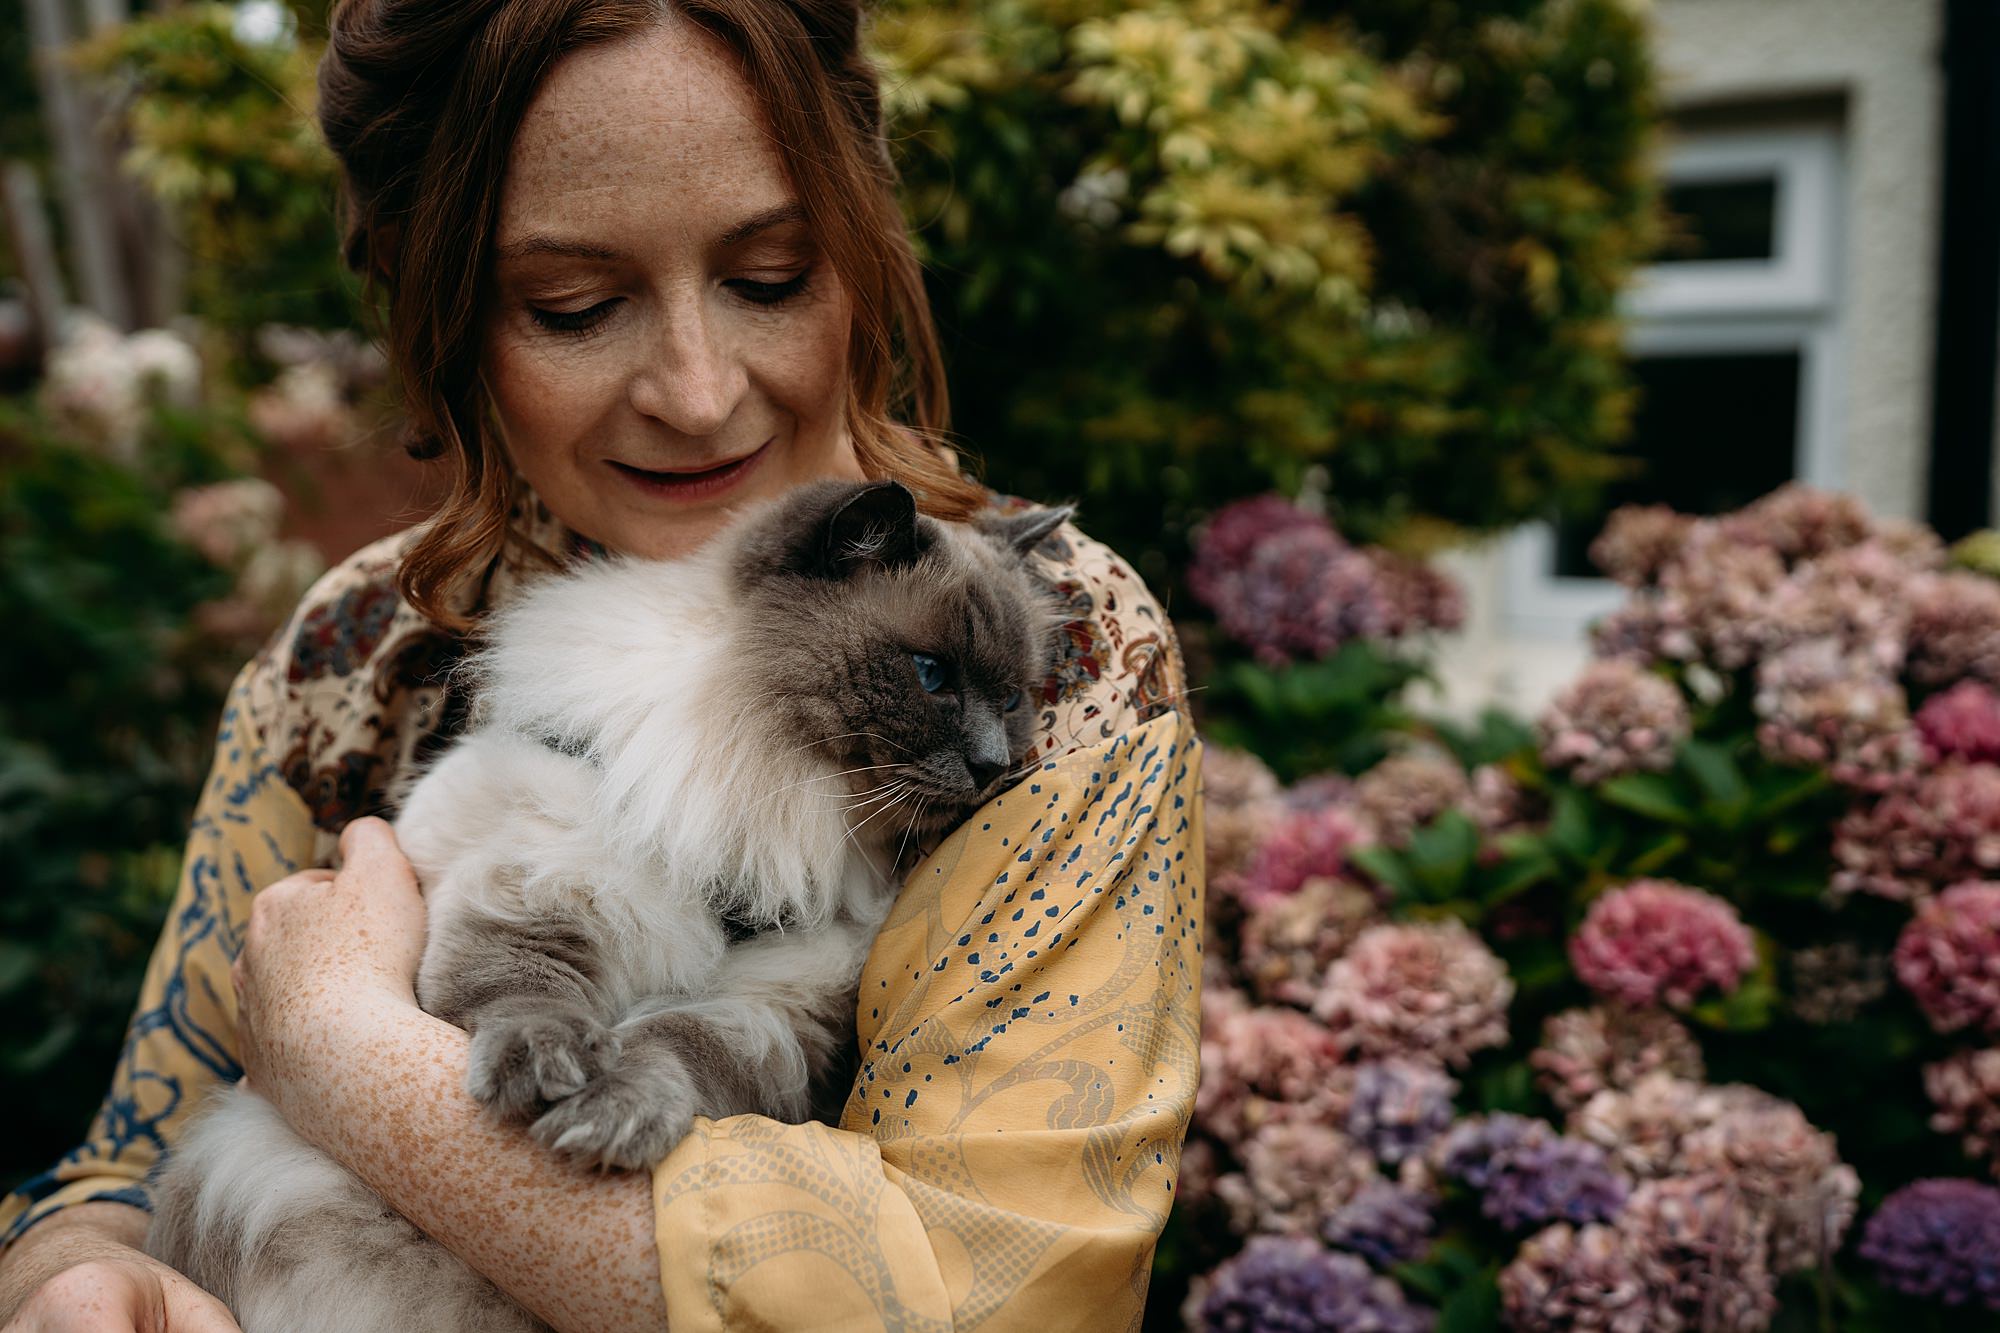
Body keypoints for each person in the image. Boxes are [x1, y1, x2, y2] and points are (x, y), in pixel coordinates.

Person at [0, 2, 1204, 1330]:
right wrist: (74, 1281)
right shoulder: (358, 647)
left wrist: (355, 1060)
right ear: (444, 310)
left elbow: (1002, 1292)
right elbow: (117, 1163)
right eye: (574, 305)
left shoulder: (1059, 640)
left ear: (860, 251)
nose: (695, 391)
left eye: (771, 278)